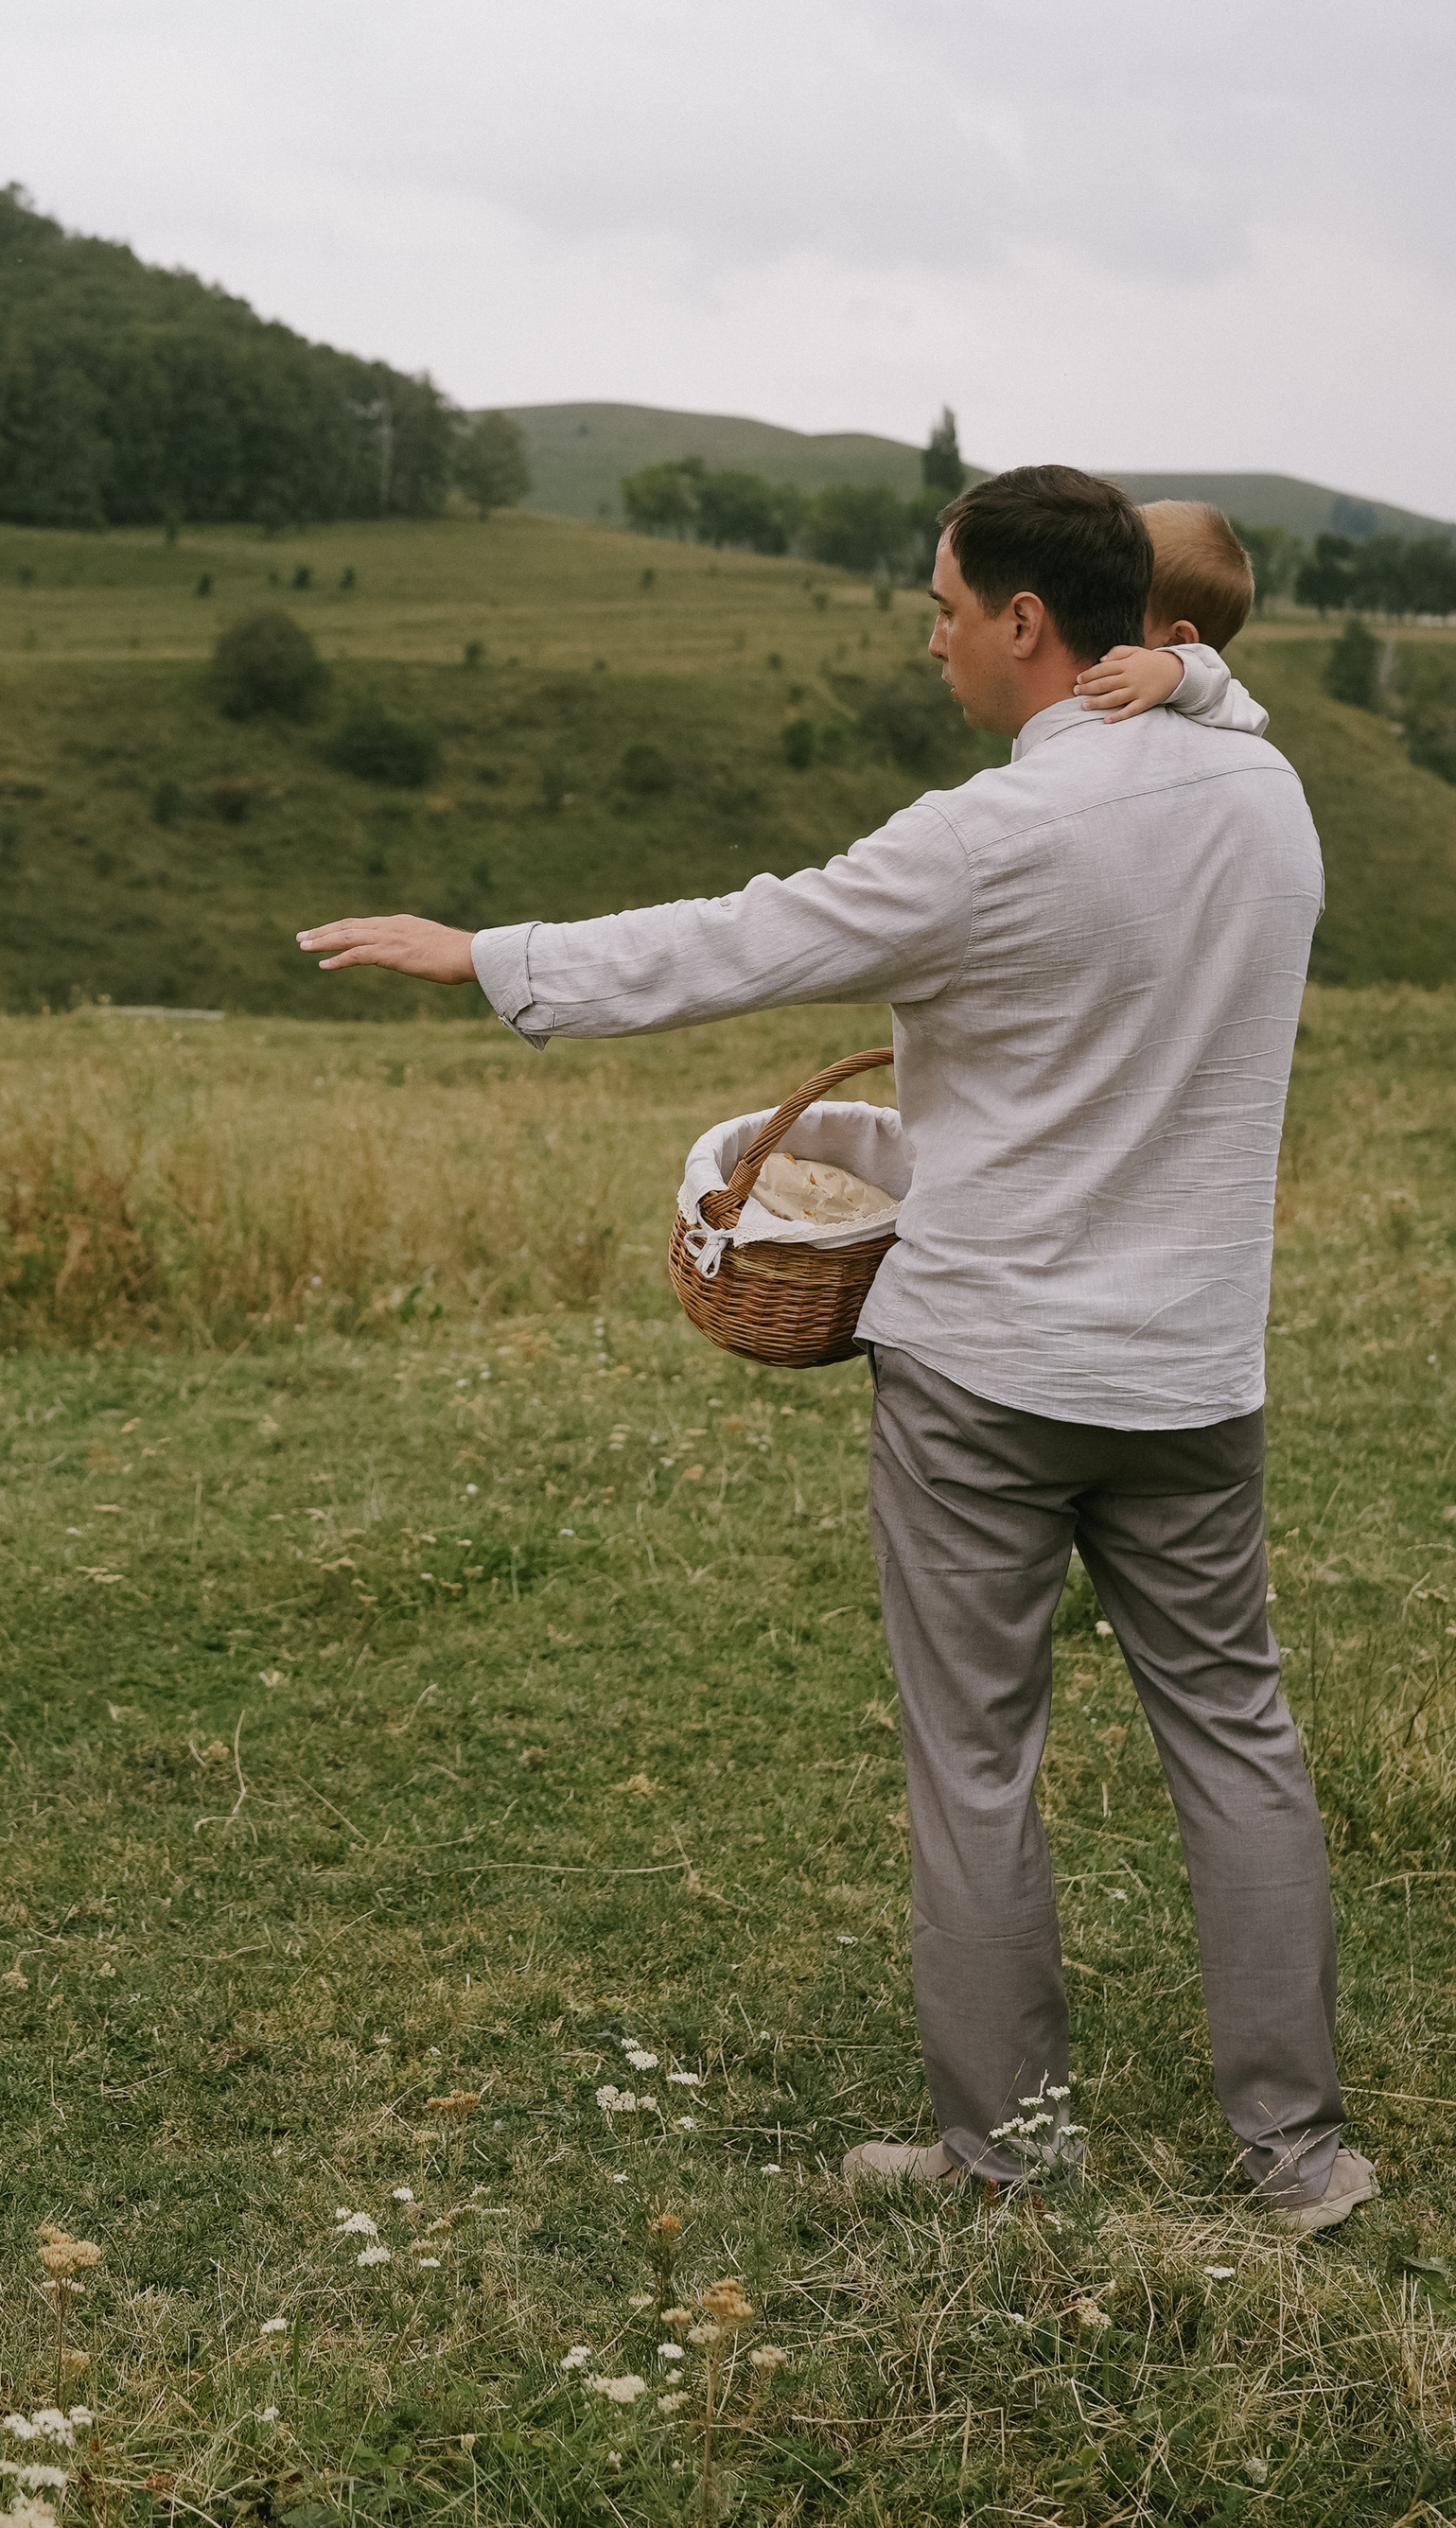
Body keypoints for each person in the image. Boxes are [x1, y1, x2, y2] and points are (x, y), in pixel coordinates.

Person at [298, 464, 1371, 2234]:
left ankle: (1004, 2156)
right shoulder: (1269, 795)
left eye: (946, 611)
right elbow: (1224, 690)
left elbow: (745, 937)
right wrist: (1192, 684)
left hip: (987, 1374)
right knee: (1238, 1737)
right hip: (1193, 1374)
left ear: (1029, 621)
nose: (934, 641)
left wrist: (483, 955)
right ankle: (1300, 2154)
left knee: (975, 1758)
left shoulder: (992, 835)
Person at [1076, 497, 1268, 733]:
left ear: (1177, 642)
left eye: (1116, 599)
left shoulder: (1221, 697)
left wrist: (1174, 671)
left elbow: (1243, 708)